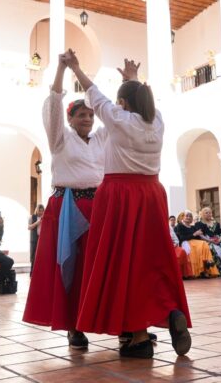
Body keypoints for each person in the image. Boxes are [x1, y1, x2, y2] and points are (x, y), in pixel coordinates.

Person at [68, 50, 191, 359]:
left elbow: (93, 94)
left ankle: (137, 335)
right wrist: (132, 78)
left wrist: (75, 66)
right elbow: (136, 98)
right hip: (152, 193)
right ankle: (168, 309)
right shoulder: (157, 120)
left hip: (121, 194)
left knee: (126, 263)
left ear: (122, 103)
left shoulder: (118, 118)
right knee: (153, 260)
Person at [23, 55, 107, 350]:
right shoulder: (60, 138)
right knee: (69, 267)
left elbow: (111, 112)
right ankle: (73, 326)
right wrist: (61, 68)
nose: (87, 119)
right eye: (80, 115)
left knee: (94, 267)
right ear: (70, 119)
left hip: (97, 207)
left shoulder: (100, 139)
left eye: (90, 115)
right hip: (67, 208)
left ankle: (100, 319)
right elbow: (55, 103)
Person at [195, 207, 221, 277]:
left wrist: (219, 240)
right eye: (206, 213)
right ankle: (220, 271)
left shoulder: (216, 223)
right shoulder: (199, 224)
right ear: (202, 214)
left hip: (218, 241)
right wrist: (210, 240)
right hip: (207, 241)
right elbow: (200, 235)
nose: (209, 214)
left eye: (210, 212)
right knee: (215, 250)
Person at [175, 210, 219, 278]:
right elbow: (181, 238)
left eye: (190, 216)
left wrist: (211, 240)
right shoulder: (179, 226)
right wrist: (194, 234)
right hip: (186, 242)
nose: (188, 217)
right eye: (187, 216)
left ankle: (206, 266)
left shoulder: (193, 227)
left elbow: (201, 236)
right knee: (201, 245)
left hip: (195, 242)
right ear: (183, 217)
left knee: (204, 243)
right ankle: (202, 269)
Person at [28, 204, 44, 275]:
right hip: (34, 239)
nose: (41, 212)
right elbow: (29, 227)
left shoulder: (44, 218)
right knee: (33, 256)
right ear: (36, 210)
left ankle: (40, 272)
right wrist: (37, 223)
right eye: (39, 210)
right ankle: (32, 272)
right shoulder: (32, 217)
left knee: (41, 256)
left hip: (42, 239)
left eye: (42, 211)